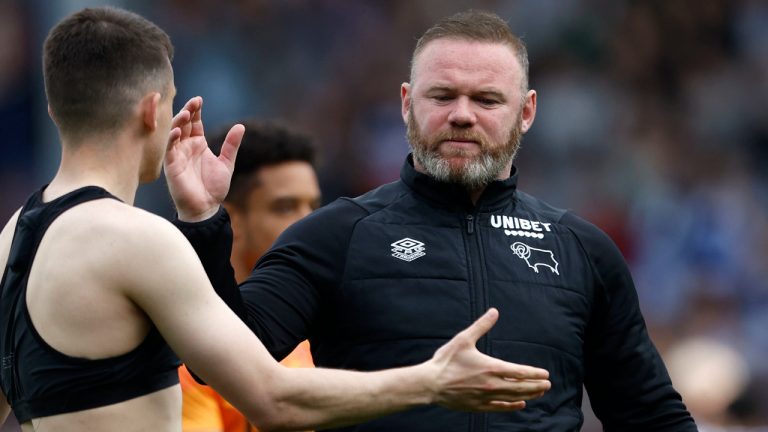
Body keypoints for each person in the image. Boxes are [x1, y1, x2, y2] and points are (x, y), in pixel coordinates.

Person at [0, 6, 555, 431]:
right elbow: (273, 399)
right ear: (152, 109)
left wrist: (200, 216)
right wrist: (433, 381)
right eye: (170, 102)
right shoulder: (138, 239)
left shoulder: (14, 238)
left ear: (55, 109)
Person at [169, 10, 699, 431]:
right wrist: (202, 222)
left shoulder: (582, 250)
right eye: (442, 96)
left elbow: (649, 416)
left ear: (528, 111)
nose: (462, 114)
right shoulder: (337, 234)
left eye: (487, 99)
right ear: (406, 104)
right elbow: (222, 360)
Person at [180, 120, 320, 432]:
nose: (309, 224)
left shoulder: (324, 335)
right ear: (231, 220)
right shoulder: (192, 352)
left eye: (313, 206)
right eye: (285, 207)